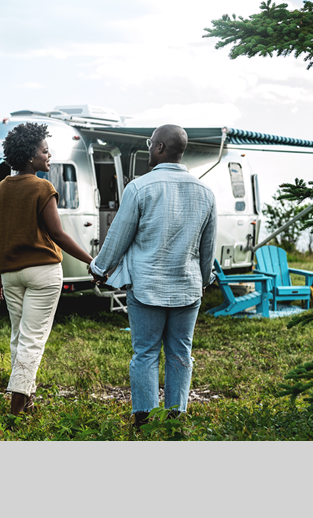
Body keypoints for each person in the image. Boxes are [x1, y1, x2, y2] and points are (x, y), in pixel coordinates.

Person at [89, 124, 217, 428]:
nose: (149, 148)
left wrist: (99, 268)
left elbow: (118, 236)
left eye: (150, 143)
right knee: (181, 353)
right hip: (187, 288)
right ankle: (175, 418)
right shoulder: (206, 193)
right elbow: (208, 247)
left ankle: (145, 420)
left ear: (159, 147)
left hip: (147, 287)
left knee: (145, 353)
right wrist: (203, 280)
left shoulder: (139, 188)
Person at [0, 122, 94, 415]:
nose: (49, 156)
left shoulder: (0, 189)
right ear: (30, 156)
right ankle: (16, 409)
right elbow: (57, 234)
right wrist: (92, 261)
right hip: (43, 272)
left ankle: (27, 402)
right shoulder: (42, 187)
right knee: (32, 339)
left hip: (10, 273)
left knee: (19, 338)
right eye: (45, 151)